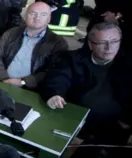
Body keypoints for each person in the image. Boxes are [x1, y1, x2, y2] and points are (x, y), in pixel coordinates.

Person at [40, 22, 132, 158]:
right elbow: (58, 79)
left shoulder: (128, 64)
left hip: (112, 128)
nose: (109, 48)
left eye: (114, 41)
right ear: (90, 44)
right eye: (102, 42)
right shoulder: (72, 59)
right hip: (72, 121)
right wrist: (54, 94)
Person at [0, 2, 68, 90]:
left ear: (49, 19)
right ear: (26, 16)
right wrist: (3, 78)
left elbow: (51, 71)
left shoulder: (58, 43)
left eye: (43, 14)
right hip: (0, 80)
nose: (37, 18)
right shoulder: (12, 33)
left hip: (29, 89)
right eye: (33, 13)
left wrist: (24, 82)